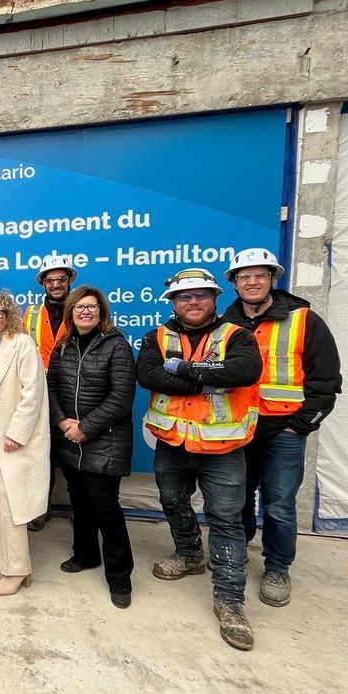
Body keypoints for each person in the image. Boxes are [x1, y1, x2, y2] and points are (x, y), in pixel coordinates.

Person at [137, 267, 262, 651]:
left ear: (215, 299)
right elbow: (149, 375)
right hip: (173, 443)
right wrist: (210, 377)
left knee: (226, 520)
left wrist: (185, 369)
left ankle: (230, 600)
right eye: (185, 297)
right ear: (173, 302)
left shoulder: (237, 335)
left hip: (222, 448)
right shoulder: (157, 337)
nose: (193, 303)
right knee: (173, 504)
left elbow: (245, 372)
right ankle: (190, 553)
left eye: (201, 296)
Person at [221, 248, 342, 607]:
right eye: (244, 276)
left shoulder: (303, 320)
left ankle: (277, 566)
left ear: (273, 279)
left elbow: (326, 378)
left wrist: (301, 426)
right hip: (238, 428)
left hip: (283, 431)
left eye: (260, 275)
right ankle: (238, 548)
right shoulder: (225, 323)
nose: (252, 282)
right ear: (235, 283)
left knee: (279, 504)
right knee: (236, 498)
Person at [47, 287, 136, 608]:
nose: (85, 312)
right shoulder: (62, 348)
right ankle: (85, 555)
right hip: (69, 439)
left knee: (105, 506)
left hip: (104, 440)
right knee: (79, 502)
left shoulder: (117, 347)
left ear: (101, 312)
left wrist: (85, 427)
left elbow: (121, 397)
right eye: (79, 307)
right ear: (70, 312)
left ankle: (120, 577)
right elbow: (52, 387)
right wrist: (62, 422)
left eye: (91, 307)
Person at [0, 291, 51, 596]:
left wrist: (16, 433)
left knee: (10, 498)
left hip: (15, 432)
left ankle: (17, 569)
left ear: (8, 315)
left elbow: (33, 393)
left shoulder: (23, 344)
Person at [23, 254, 77, 531]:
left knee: (72, 452)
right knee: (39, 454)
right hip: (38, 392)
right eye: (50, 280)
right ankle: (39, 509)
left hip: (72, 392)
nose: (56, 284)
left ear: (69, 281)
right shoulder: (31, 313)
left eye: (61, 279)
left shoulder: (81, 309)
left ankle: (77, 508)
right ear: (42, 283)